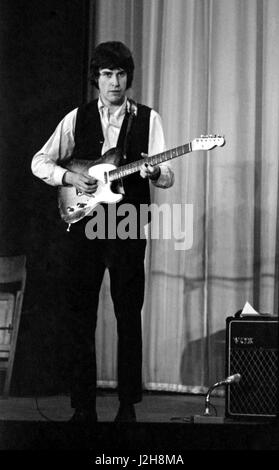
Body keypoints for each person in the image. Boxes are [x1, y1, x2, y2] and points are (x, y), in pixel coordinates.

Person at [31, 41, 174, 424]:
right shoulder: (76, 118)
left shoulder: (148, 118)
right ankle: (83, 406)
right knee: (81, 313)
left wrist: (155, 170)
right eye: (107, 74)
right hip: (85, 220)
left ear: (129, 78)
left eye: (121, 74)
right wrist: (68, 175)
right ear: (97, 78)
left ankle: (127, 405)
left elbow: (167, 176)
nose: (115, 81)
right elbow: (39, 161)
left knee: (128, 312)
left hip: (127, 220)